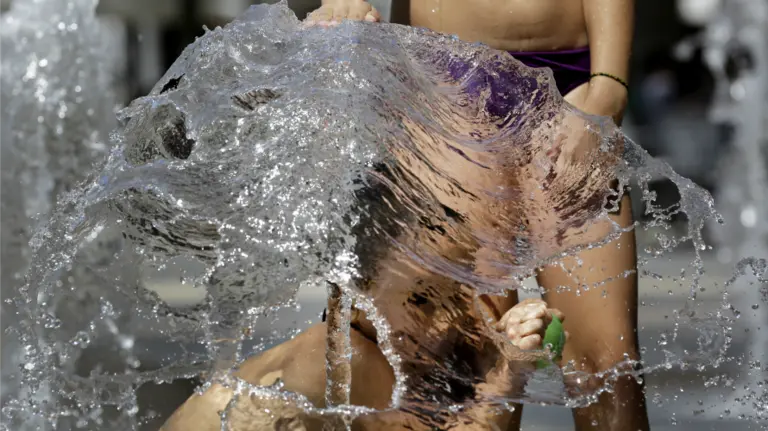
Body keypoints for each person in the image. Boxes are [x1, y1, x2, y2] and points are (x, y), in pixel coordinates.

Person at [162, 0, 648, 429]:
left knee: (609, 370)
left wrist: (608, 86)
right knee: (450, 360)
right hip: (446, 88)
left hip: (574, 91)